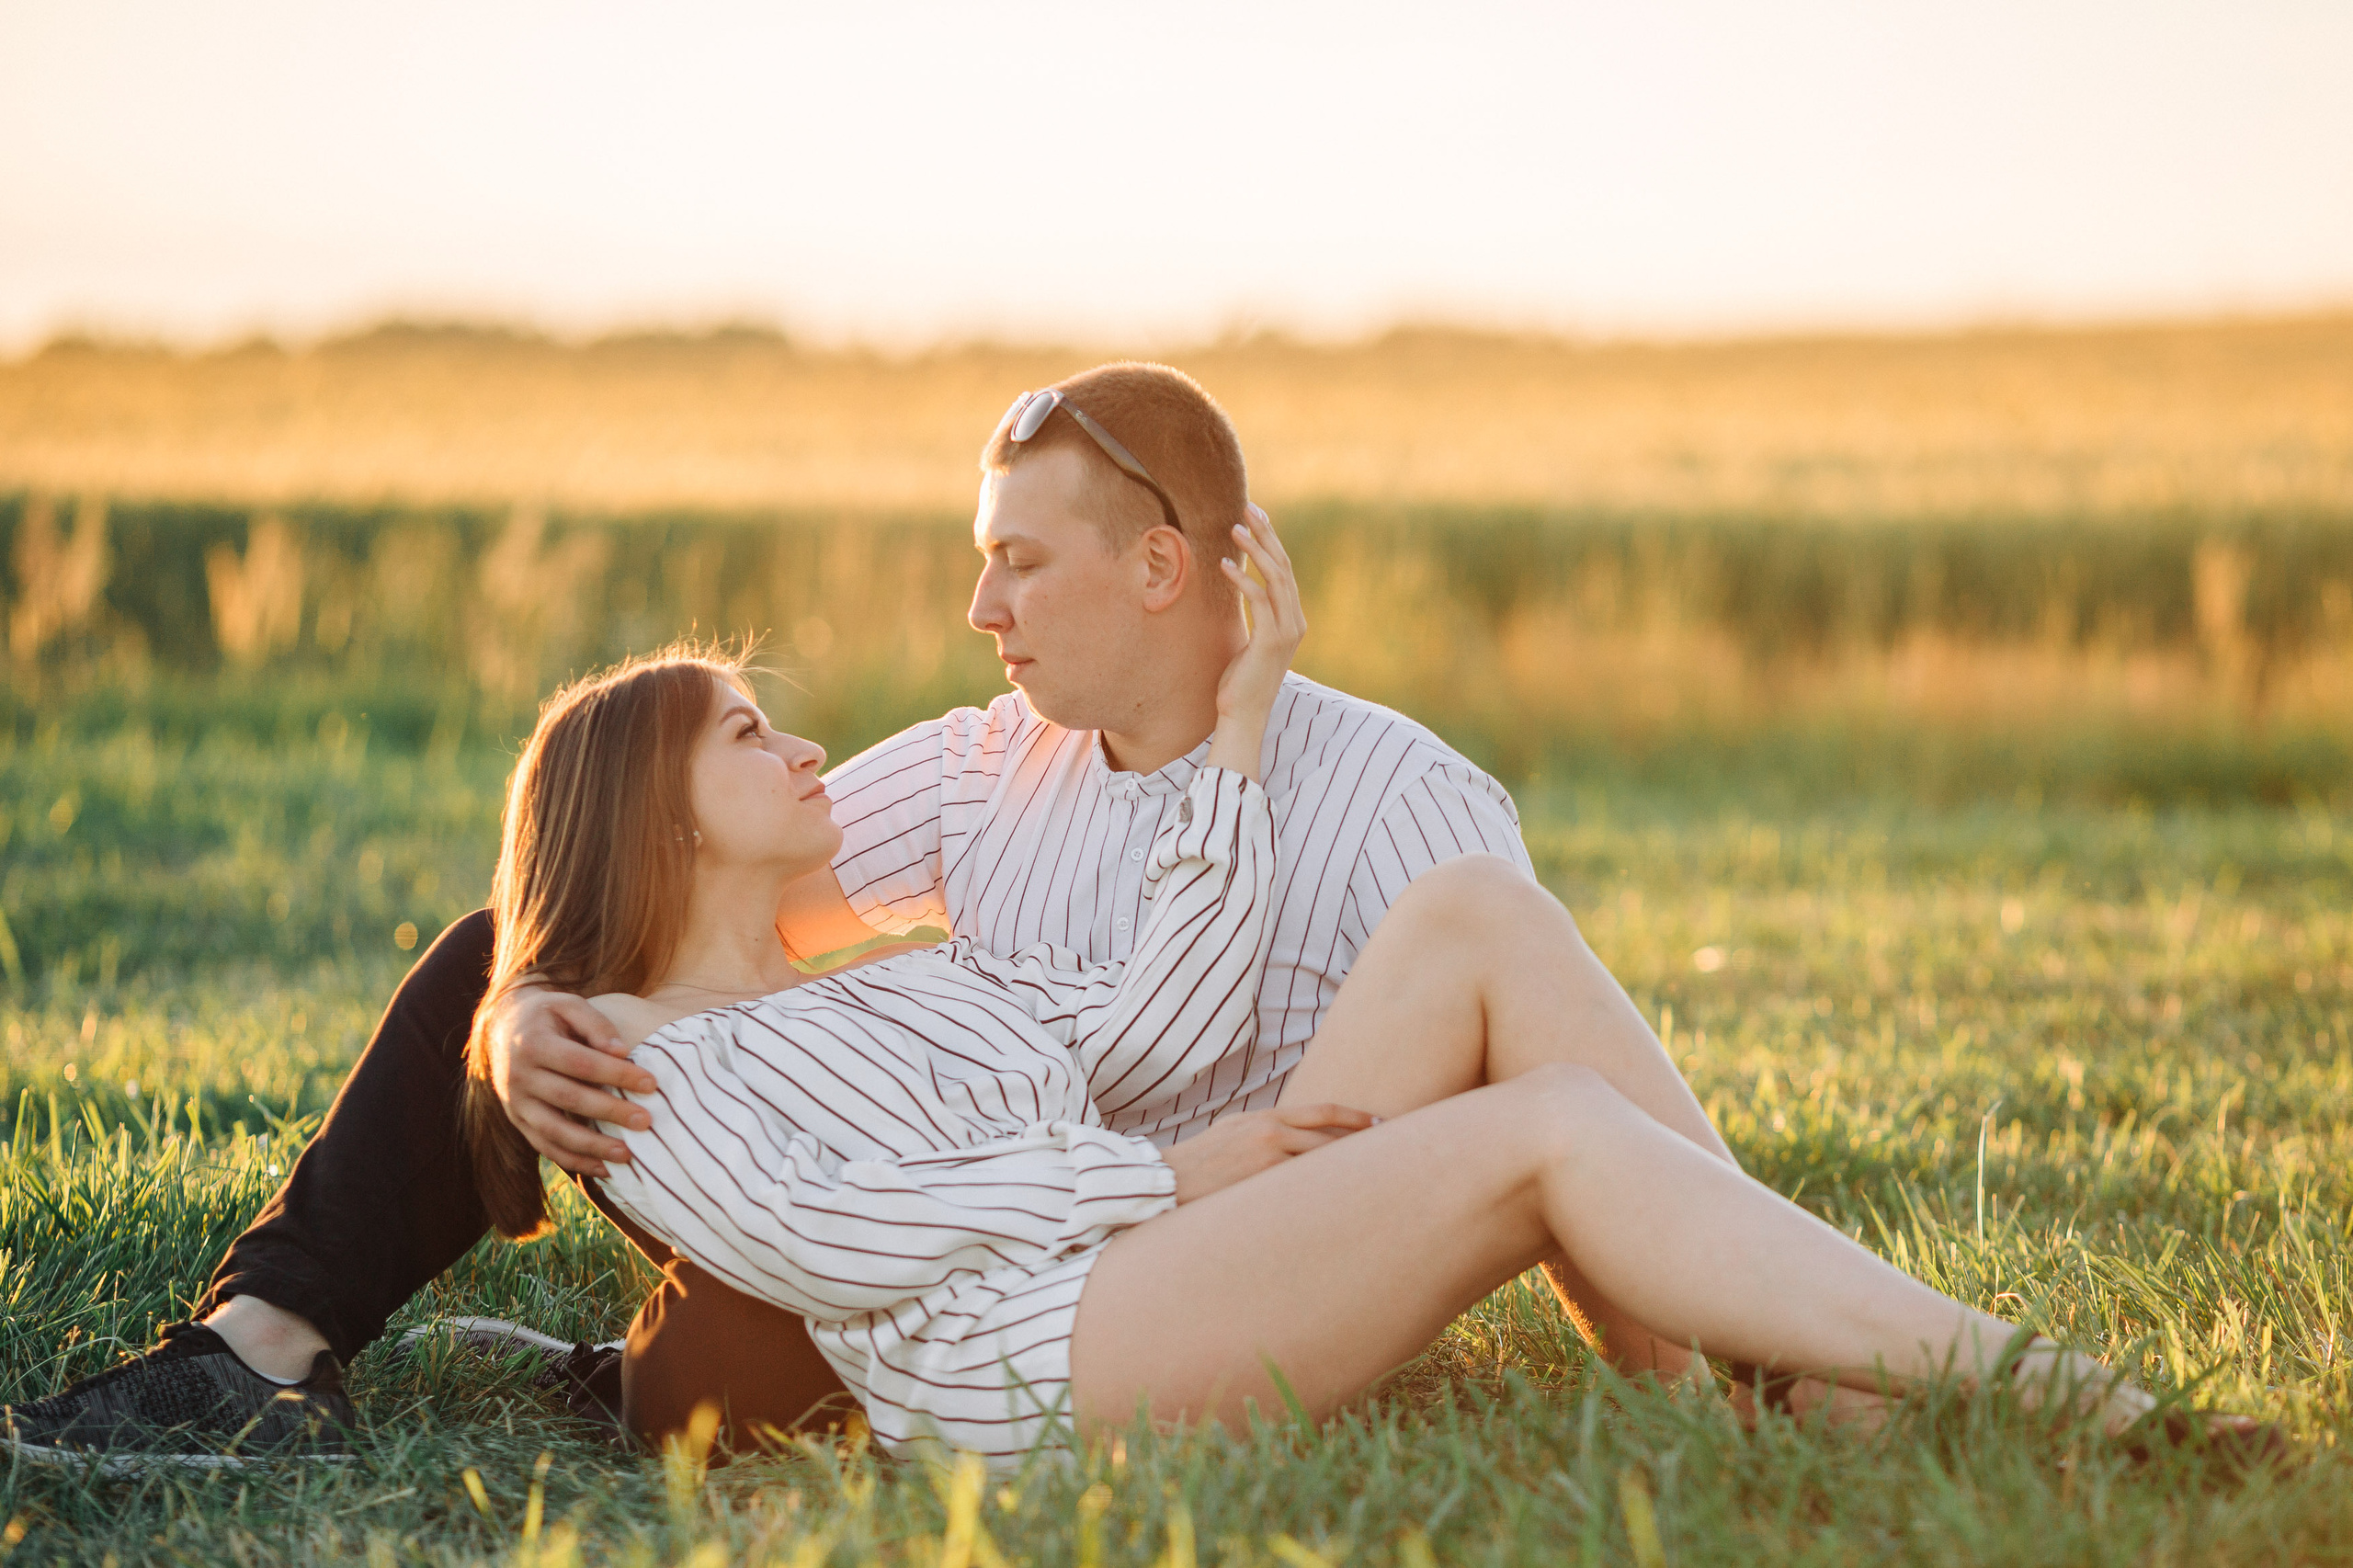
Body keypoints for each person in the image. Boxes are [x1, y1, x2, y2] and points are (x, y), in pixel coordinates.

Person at [6, 366, 1795, 1464]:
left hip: (1225, 1251)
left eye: (1016, 561)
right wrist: (522, 1003)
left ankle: (1786, 1377)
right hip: (959, 1247)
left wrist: (1698, 1369)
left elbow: (1555, 1119)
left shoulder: (1406, 804)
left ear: (1160, 569)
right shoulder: (972, 766)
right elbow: (654, 874)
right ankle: (267, 1346)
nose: (975, 608)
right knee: (525, 966)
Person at [488, 570, 2214, 1469]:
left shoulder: (906, 980)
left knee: (1475, 916)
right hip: (1032, 1377)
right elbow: (831, 1235)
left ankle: (1779, 1384)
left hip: (1129, 1275)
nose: (801, 750)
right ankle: (2033, 1388)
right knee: (1544, 1136)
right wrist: (1171, 1180)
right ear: (653, 809)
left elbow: (1151, 1010)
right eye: (743, 733)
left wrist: (1238, 731)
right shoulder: (633, 1054)